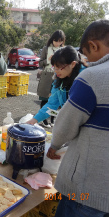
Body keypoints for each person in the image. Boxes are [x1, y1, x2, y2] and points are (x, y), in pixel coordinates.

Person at [47, 20, 109, 217]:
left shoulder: (91, 77)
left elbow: (65, 126)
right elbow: (51, 103)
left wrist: (54, 145)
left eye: (87, 54)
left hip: (87, 189)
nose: (87, 60)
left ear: (93, 45)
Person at [26, 46, 86, 126]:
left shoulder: (85, 79)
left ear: (72, 64)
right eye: (54, 67)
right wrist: (34, 120)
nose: (55, 71)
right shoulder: (60, 79)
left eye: (59, 68)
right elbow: (52, 104)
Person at [37, 30, 65, 128]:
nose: (58, 43)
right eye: (56, 41)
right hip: (47, 75)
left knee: (56, 99)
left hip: (58, 76)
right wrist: (48, 60)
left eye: (60, 41)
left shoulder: (63, 50)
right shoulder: (46, 48)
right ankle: (44, 120)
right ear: (52, 39)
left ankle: (52, 119)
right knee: (45, 99)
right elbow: (40, 63)